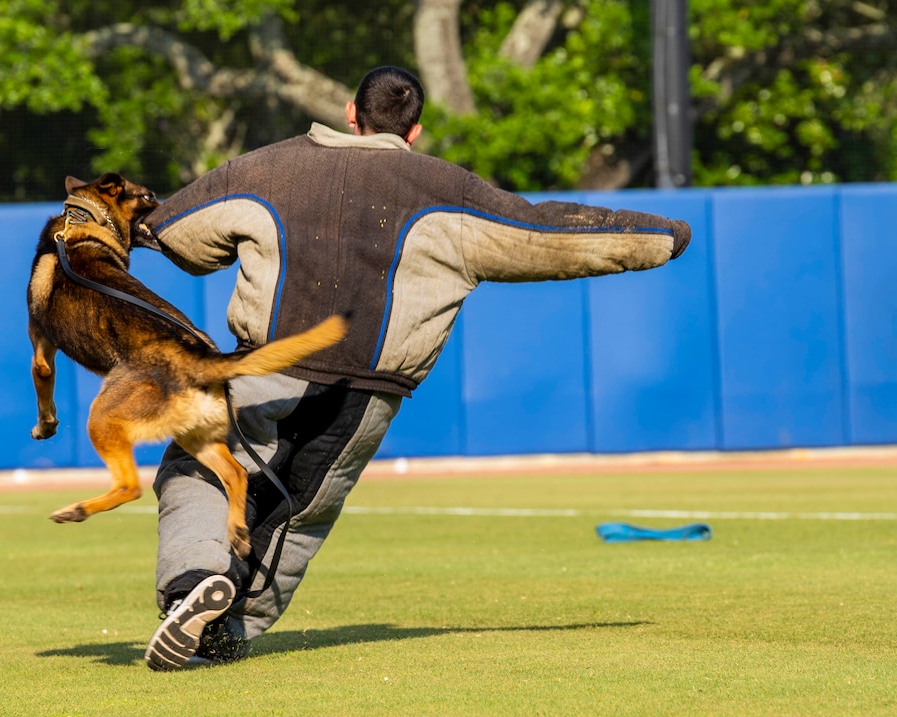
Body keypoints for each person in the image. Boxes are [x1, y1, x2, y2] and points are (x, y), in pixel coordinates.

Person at [139, 66, 691, 671]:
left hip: (267, 363)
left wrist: (106, 226)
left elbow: (172, 233)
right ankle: (227, 631)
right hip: (370, 394)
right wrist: (663, 237)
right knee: (299, 517)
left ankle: (194, 580)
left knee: (198, 470)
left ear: (352, 114)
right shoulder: (447, 189)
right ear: (415, 131)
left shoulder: (271, 167)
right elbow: (545, 233)